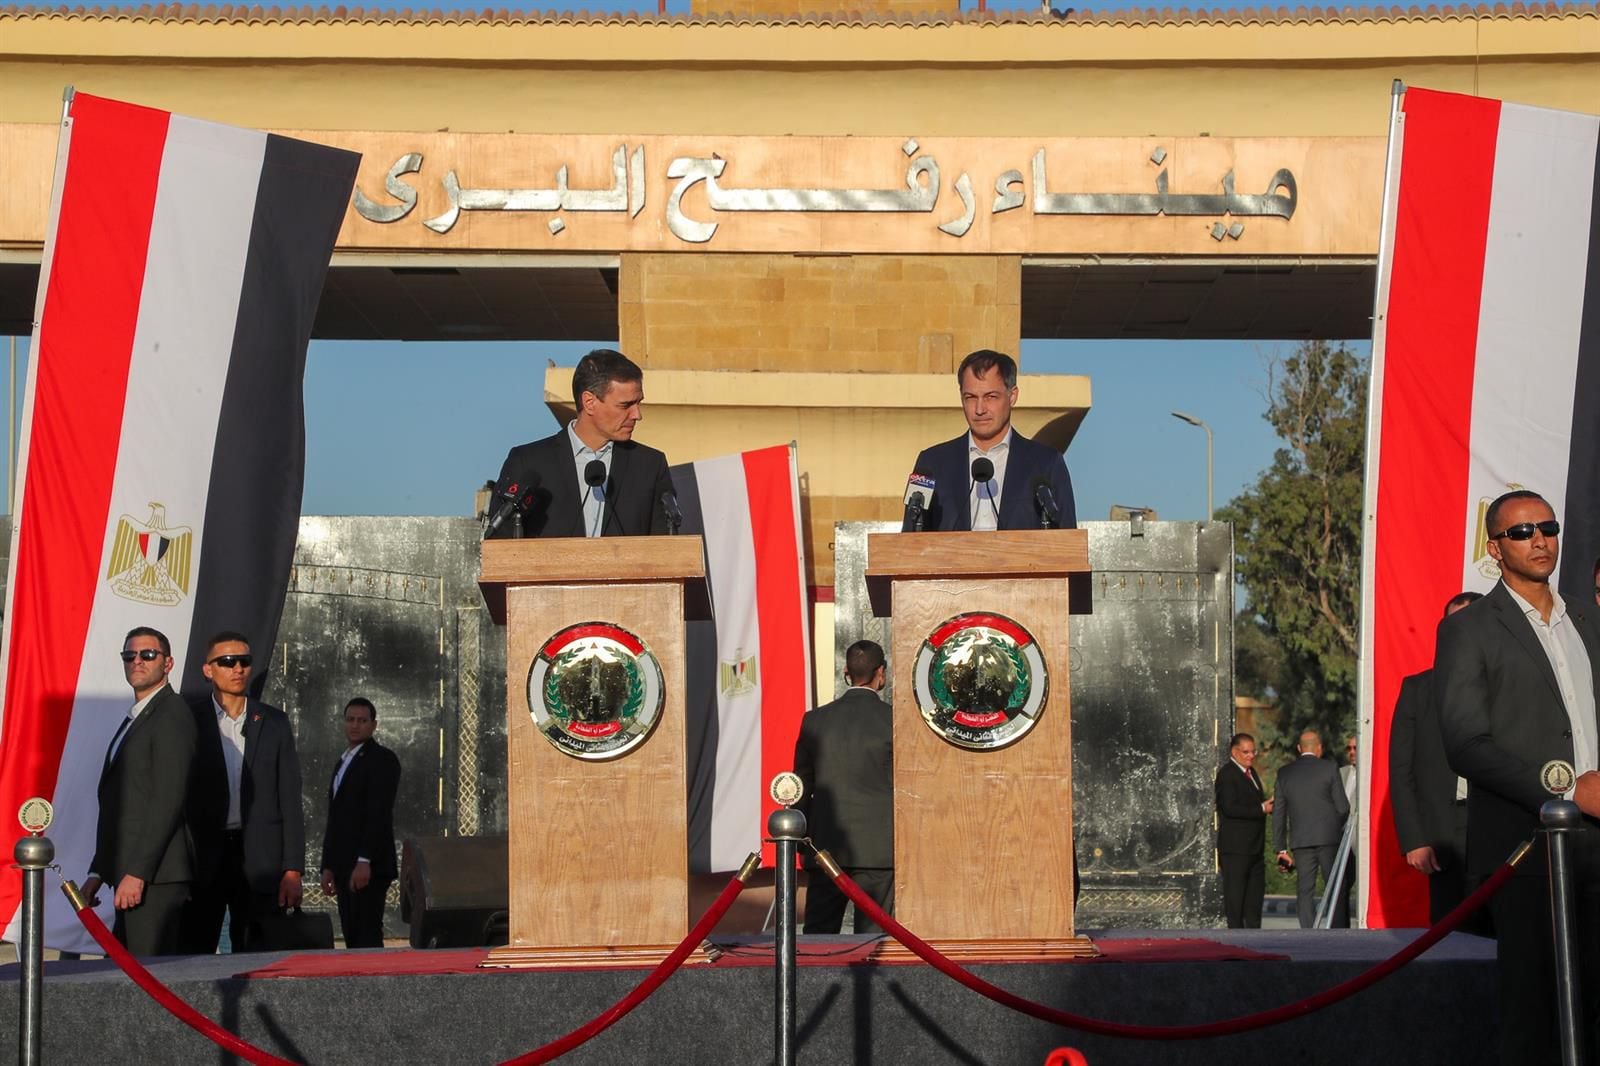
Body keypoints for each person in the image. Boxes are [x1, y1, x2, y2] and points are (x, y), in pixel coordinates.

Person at [1437, 490, 1600, 1064]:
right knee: (1532, 1016)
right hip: (1524, 848)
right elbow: (1465, 745)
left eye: (1548, 527)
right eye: (1522, 531)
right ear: (1495, 549)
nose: (1539, 539)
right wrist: (1565, 789)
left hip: (1597, 846)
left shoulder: (1587, 619)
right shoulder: (1471, 628)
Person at [181, 631, 306, 954]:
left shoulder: (274, 722)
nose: (237, 668)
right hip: (205, 857)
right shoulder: (189, 721)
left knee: (255, 951)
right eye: (227, 661)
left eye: (244, 661)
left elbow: (289, 799)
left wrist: (293, 868)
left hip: (259, 860)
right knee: (195, 949)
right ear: (208, 669)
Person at [83, 627, 198, 956]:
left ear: (168, 663)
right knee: (127, 977)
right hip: (131, 875)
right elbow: (124, 805)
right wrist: (99, 870)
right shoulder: (137, 717)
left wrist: (137, 873)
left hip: (156, 880)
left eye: (148, 655)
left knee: (149, 981)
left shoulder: (172, 714)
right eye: (129, 656)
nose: (137, 661)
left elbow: (167, 800)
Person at [486, 348, 674, 538]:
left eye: (638, 403)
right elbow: (499, 543)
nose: (637, 415)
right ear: (589, 402)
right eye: (625, 405)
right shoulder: (528, 463)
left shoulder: (650, 465)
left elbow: (666, 546)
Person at [901, 349, 1076, 532]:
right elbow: (910, 537)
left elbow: (1068, 541)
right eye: (970, 398)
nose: (979, 409)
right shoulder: (930, 464)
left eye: (991, 397)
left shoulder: (1046, 464)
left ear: (1012, 396)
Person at [1388, 590, 1482, 924]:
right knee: (1450, 933)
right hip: (1443, 833)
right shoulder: (1417, 690)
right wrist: (1415, 839)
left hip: (1496, 825)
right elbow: (1401, 770)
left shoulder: (1508, 686)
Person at [794, 639, 894, 934]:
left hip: (825, 846)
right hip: (880, 849)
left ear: (846, 671)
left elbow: (799, 785)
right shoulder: (894, 720)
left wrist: (801, 841)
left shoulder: (814, 720)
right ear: (882, 673)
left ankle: (816, 983)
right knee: (874, 942)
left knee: (819, 938)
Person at [320, 697, 402, 949]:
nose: (355, 726)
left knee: (366, 932)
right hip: (344, 864)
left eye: (362, 720)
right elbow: (336, 818)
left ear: (373, 725)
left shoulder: (382, 760)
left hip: (368, 867)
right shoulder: (344, 761)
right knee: (351, 933)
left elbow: (377, 813)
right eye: (350, 719)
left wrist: (364, 860)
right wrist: (328, 865)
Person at [1272, 729, 1350, 928]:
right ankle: (1339, 931)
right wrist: (1335, 827)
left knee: (1305, 890)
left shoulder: (1285, 773)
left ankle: (1308, 931)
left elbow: (1279, 813)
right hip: (1329, 838)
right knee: (1335, 888)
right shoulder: (1330, 768)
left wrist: (1280, 849)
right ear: (1319, 748)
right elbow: (1343, 807)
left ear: (1299, 748)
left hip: (1300, 840)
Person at [1215, 732, 1272, 928]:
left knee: (1254, 900)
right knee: (1236, 899)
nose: (1250, 756)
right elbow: (1229, 808)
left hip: (1254, 849)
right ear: (1234, 751)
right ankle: (1236, 939)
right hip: (1236, 849)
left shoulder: (1251, 773)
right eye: (1246, 752)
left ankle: (1254, 937)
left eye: (1253, 752)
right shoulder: (1227, 774)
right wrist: (1261, 809)